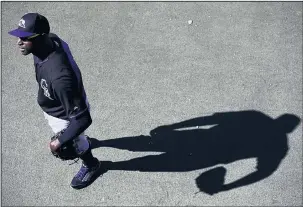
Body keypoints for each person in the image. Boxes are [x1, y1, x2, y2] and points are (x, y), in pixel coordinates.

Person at [8, 13, 101, 189]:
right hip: (66, 98)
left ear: (40, 38)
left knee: (75, 141)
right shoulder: (51, 41)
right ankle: (80, 140)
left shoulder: (59, 78)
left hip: (63, 114)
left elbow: (82, 119)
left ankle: (91, 164)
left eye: (25, 38)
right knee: (77, 136)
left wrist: (58, 142)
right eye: (19, 36)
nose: (19, 42)